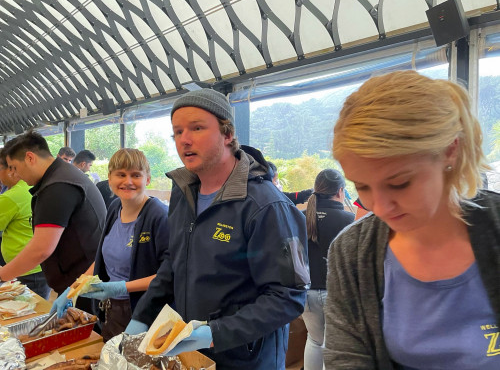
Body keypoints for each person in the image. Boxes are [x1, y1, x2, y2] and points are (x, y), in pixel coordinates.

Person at [325, 70, 500, 369]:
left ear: (450, 151)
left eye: (400, 183)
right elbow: (347, 358)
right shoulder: (353, 252)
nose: (379, 207)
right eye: (362, 186)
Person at [125, 88, 309, 370]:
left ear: (227, 134)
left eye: (197, 128)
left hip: (245, 359)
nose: (184, 139)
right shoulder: (184, 192)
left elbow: (288, 297)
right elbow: (174, 264)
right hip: (192, 355)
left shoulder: (265, 206)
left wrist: (215, 333)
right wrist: (143, 315)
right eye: (177, 131)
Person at [51, 148, 170, 341]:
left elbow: (170, 275)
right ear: (109, 178)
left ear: (147, 179)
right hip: (113, 308)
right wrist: (73, 289)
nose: (128, 181)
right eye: (121, 174)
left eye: (136, 175)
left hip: (144, 311)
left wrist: (123, 287)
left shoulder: (158, 216)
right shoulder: (115, 208)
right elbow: (101, 258)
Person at [0, 131, 106, 315]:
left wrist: (2, 275)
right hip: (79, 282)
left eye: (14, 167)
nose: (14, 174)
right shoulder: (60, 176)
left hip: (84, 285)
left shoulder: (58, 186)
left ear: (30, 158)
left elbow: (41, 248)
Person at [302, 169, 354, 370]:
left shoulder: (300, 217)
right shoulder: (350, 221)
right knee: (333, 345)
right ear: (340, 191)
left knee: (314, 341)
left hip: (306, 293)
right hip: (337, 294)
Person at [0, 148, 51, 299]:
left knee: (26, 314)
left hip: (23, 269)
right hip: (41, 266)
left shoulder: (11, 197)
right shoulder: (33, 186)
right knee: (39, 309)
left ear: (10, 170)